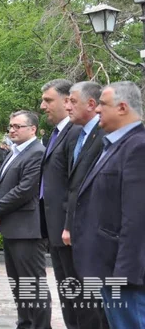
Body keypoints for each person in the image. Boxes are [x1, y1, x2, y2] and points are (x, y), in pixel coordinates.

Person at [72, 82, 145, 328]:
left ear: (123, 107)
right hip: (108, 268)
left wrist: (123, 276)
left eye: (103, 104)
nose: (98, 109)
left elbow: (136, 217)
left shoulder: (138, 147)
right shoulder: (115, 145)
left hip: (124, 275)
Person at [0, 110, 51, 329]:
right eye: (10, 126)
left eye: (17, 126)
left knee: (33, 284)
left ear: (32, 129)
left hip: (28, 230)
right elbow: (0, 185)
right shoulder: (14, 152)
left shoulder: (37, 153)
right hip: (11, 228)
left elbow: (25, 190)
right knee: (19, 284)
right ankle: (25, 324)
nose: (12, 130)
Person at [62, 81, 109, 329]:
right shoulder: (77, 135)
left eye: (72, 101)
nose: (66, 106)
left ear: (91, 104)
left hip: (95, 234)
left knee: (95, 304)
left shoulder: (105, 136)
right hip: (78, 232)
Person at [39, 79, 81, 329]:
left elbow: (75, 184)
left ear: (67, 101)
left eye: (48, 100)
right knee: (67, 293)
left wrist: (68, 225)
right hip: (54, 230)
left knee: (77, 296)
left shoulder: (75, 133)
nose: (43, 106)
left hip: (69, 231)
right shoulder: (56, 134)